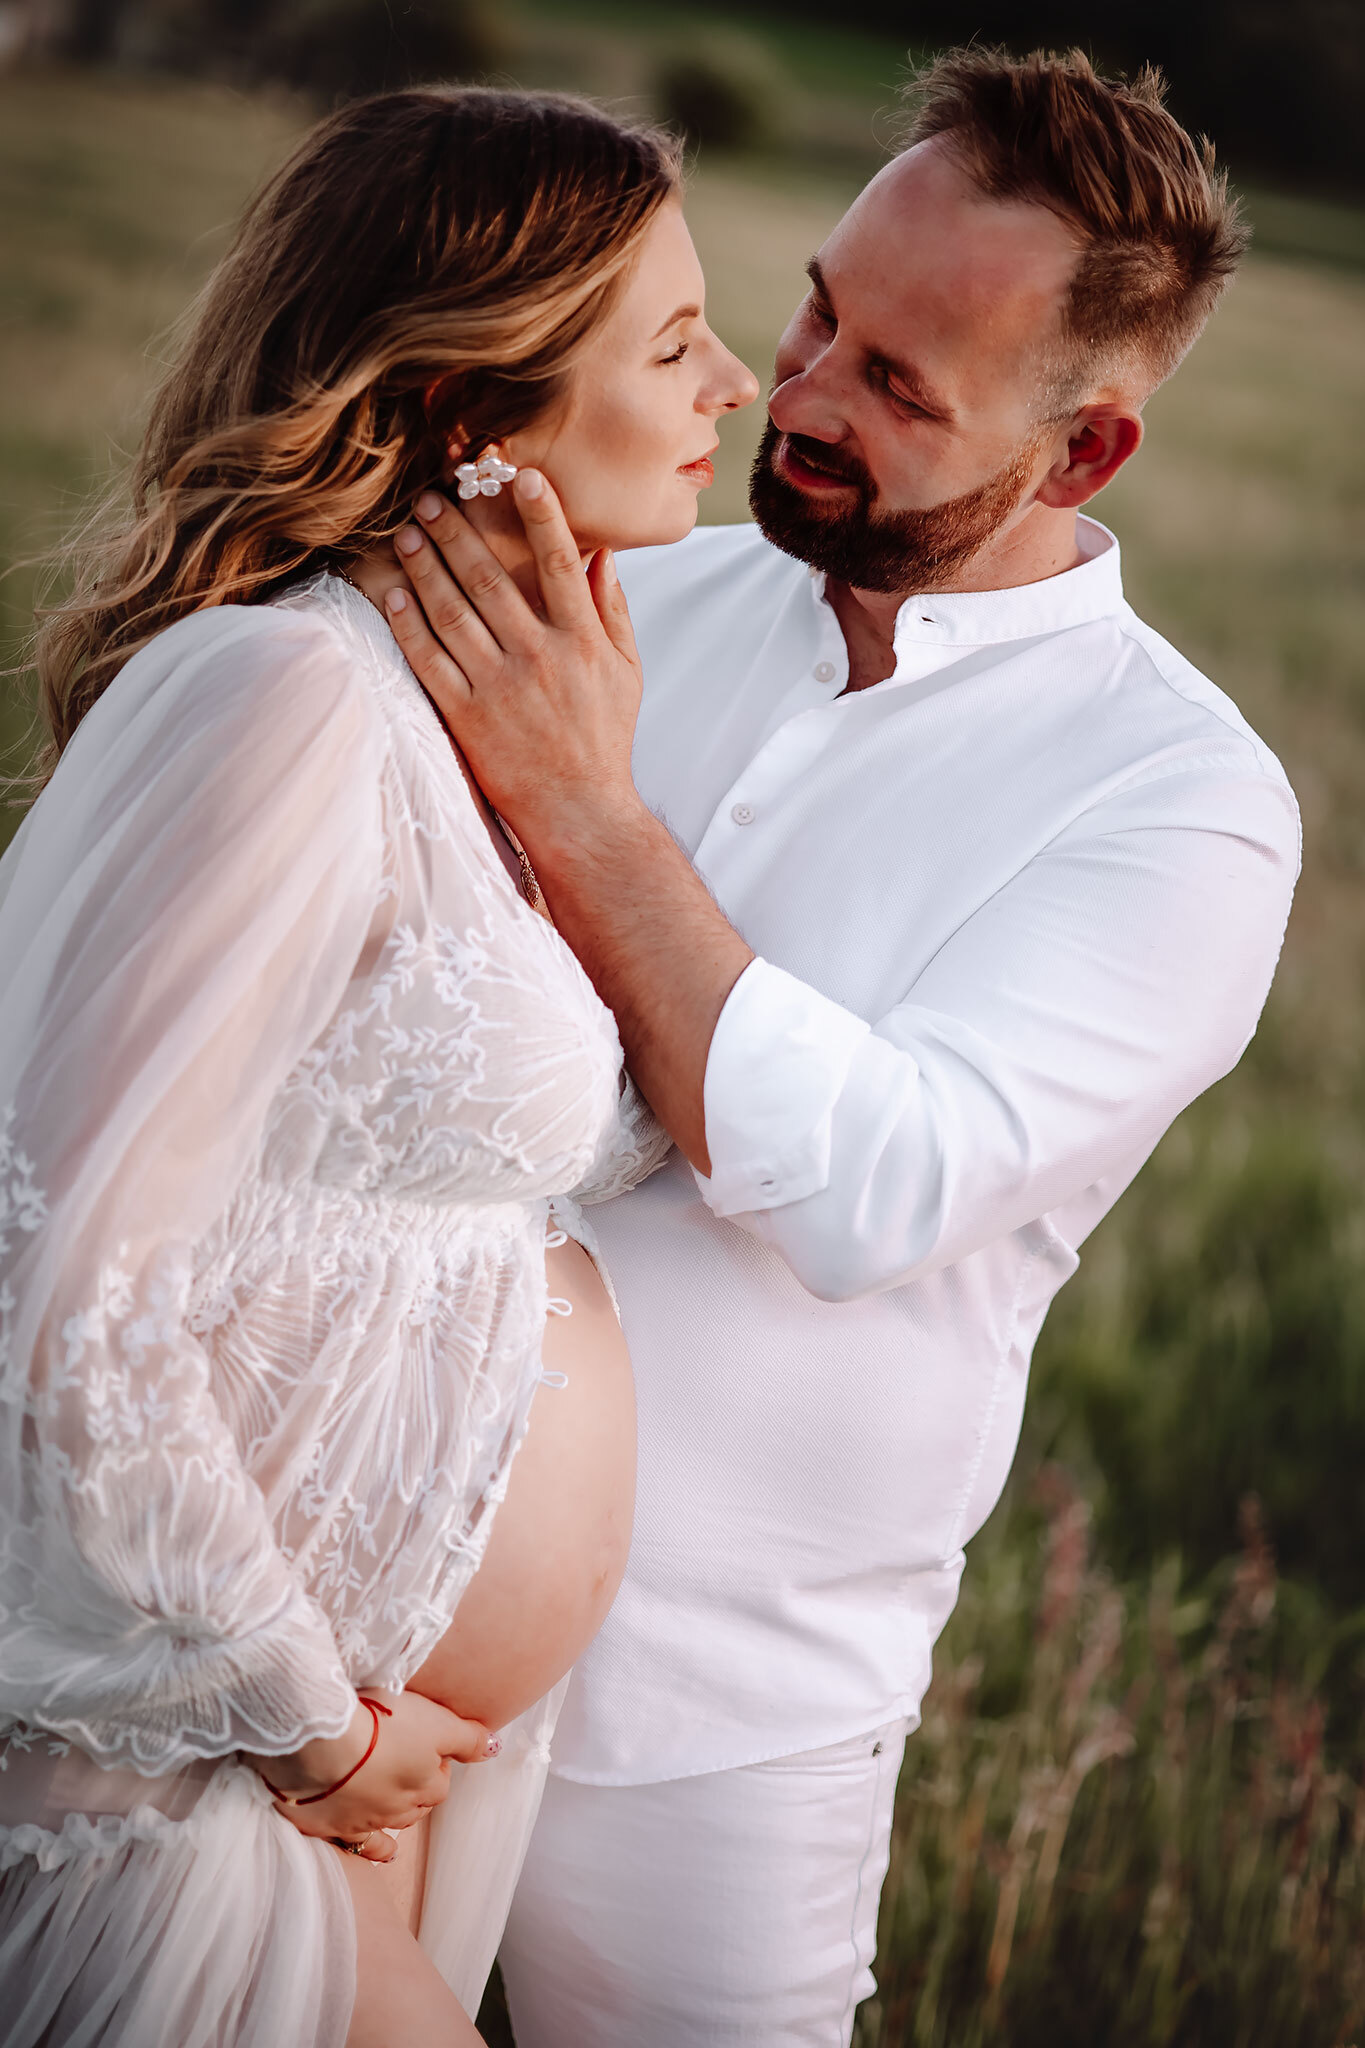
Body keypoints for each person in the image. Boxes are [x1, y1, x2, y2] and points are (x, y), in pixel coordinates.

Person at [378, 47, 1302, 2047]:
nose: (794, 396)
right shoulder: (637, 590)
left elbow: (871, 1186)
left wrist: (588, 814)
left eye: (897, 385)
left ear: (1082, 453)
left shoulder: (1184, 805)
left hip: (719, 1711)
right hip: (370, 1597)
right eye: (814, 315)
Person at [0, 86, 754, 2047]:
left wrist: (584, 790)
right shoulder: (285, 694)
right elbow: (68, 1273)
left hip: (351, 1771)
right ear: (466, 405)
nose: (735, 385)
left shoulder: (454, 723)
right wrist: (299, 1709)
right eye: (673, 344)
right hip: (199, 1771)